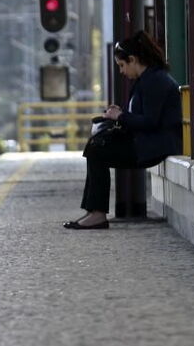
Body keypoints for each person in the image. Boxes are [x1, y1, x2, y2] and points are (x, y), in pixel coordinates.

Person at [64, 31, 182, 229]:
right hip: (147, 142)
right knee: (95, 147)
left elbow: (151, 122)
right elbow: (142, 117)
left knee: (97, 150)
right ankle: (94, 211)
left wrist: (120, 117)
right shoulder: (147, 79)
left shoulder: (155, 81)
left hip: (155, 146)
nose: (121, 71)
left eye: (122, 65)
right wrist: (120, 113)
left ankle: (97, 213)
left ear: (133, 60)